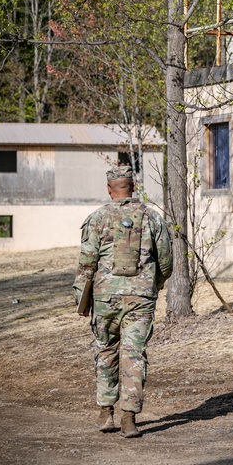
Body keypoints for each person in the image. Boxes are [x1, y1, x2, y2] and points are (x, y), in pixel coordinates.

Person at [71, 164, 173, 438]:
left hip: (106, 298)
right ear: (133, 188)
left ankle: (106, 413)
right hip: (140, 298)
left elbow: (86, 264)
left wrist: (82, 299)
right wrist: (154, 286)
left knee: (105, 351)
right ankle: (129, 419)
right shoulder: (152, 218)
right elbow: (166, 262)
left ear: (109, 189)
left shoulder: (97, 218)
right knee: (133, 355)